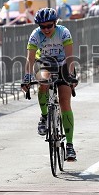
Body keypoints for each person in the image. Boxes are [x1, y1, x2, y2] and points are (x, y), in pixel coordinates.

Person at [21, 8, 78, 161]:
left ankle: (70, 146)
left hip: (63, 64)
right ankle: (45, 117)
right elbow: (30, 59)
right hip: (45, 64)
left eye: (49, 26)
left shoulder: (64, 32)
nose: (45, 29)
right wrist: (26, 78)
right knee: (43, 83)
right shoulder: (35, 35)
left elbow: (70, 57)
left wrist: (71, 76)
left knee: (65, 102)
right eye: (42, 26)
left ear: (55, 23)